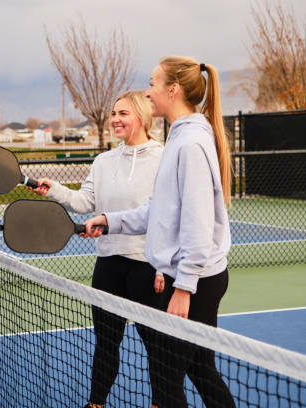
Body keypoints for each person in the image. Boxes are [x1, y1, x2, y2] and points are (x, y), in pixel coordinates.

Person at [83, 56, 235, 407]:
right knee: (200, 369)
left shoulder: (189, 144)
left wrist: (183, 287)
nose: (148, 90)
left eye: (153, 83)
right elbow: (161, 209)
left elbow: (197, 222)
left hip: (195, 282)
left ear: (173, 89)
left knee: (166, 380)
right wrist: (110, 220)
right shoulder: (182, 137)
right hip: (194, 278)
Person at [32, 90, 165, 408]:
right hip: (108, 262)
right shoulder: (104, 161)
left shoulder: (165, 158)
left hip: (147, 264)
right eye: (114, 114)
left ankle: (161, 402)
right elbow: (85, 202)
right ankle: (96, 404)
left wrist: (163, 265)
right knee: (106, 341)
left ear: (143, 118)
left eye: (124, 113)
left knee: (156, 343)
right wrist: (56, 190)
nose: (116, 119)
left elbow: (162, 215)